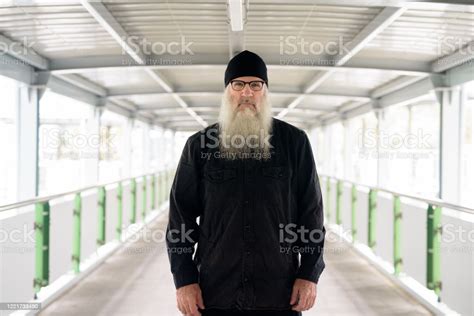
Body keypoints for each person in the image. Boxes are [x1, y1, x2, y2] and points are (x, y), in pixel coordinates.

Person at [166, 50, 326, 316]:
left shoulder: (294, 143)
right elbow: (179, 218)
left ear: (265, 90)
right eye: (238, 84)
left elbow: (311, 213)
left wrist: (309, 274)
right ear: (228, 91)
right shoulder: (200, 146)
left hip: (278, 292)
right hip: (215, 292)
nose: (247, 93)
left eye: (255, 85)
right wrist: (184, 279)